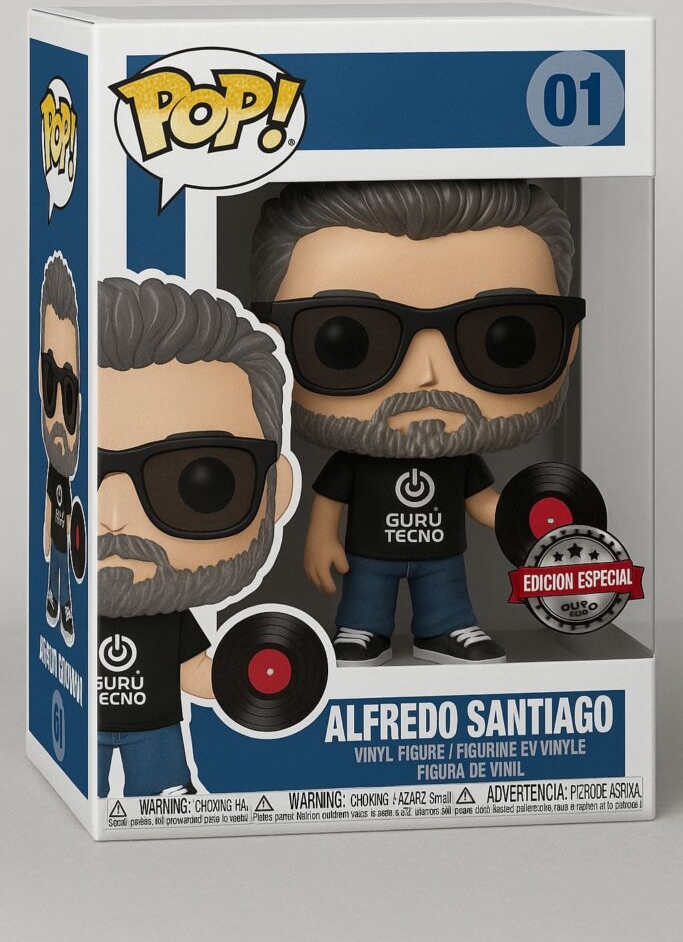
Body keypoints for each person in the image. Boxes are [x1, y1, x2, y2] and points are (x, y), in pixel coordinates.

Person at [252, 180, 581, 666]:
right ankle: (361, 629)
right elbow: (328, 502)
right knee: (365, 595)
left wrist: (531, 519)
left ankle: (447, 629)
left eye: (504, 338)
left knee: (446, 593)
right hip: (369, 554)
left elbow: (484, 503)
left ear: (569, 344)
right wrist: (320, 540)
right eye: (346, 341)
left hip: (441, 555)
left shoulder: (458, 460)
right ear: (272, 344)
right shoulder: (356, 461)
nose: (426, 375)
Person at [97, 276, 294, 796]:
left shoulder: (170, 617)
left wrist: (255, 674)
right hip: (80, 723)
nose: (113, 519)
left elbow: (197, 675)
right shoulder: (70, 610)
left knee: (164, 795)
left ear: (276, 492)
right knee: (80, 784)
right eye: (83, 477)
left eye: (198, 484)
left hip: (157, 731)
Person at [40, 252, 81, 647]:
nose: (55, 419)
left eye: (67, 392)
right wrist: (44, 535)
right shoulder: (57, 470)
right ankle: (54, 603)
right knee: (54, 571)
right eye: (48, 378)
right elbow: (50, 505)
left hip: (67, 545)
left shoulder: (69, 477)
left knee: (64, 575)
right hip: (57, 542)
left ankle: (64, 607)